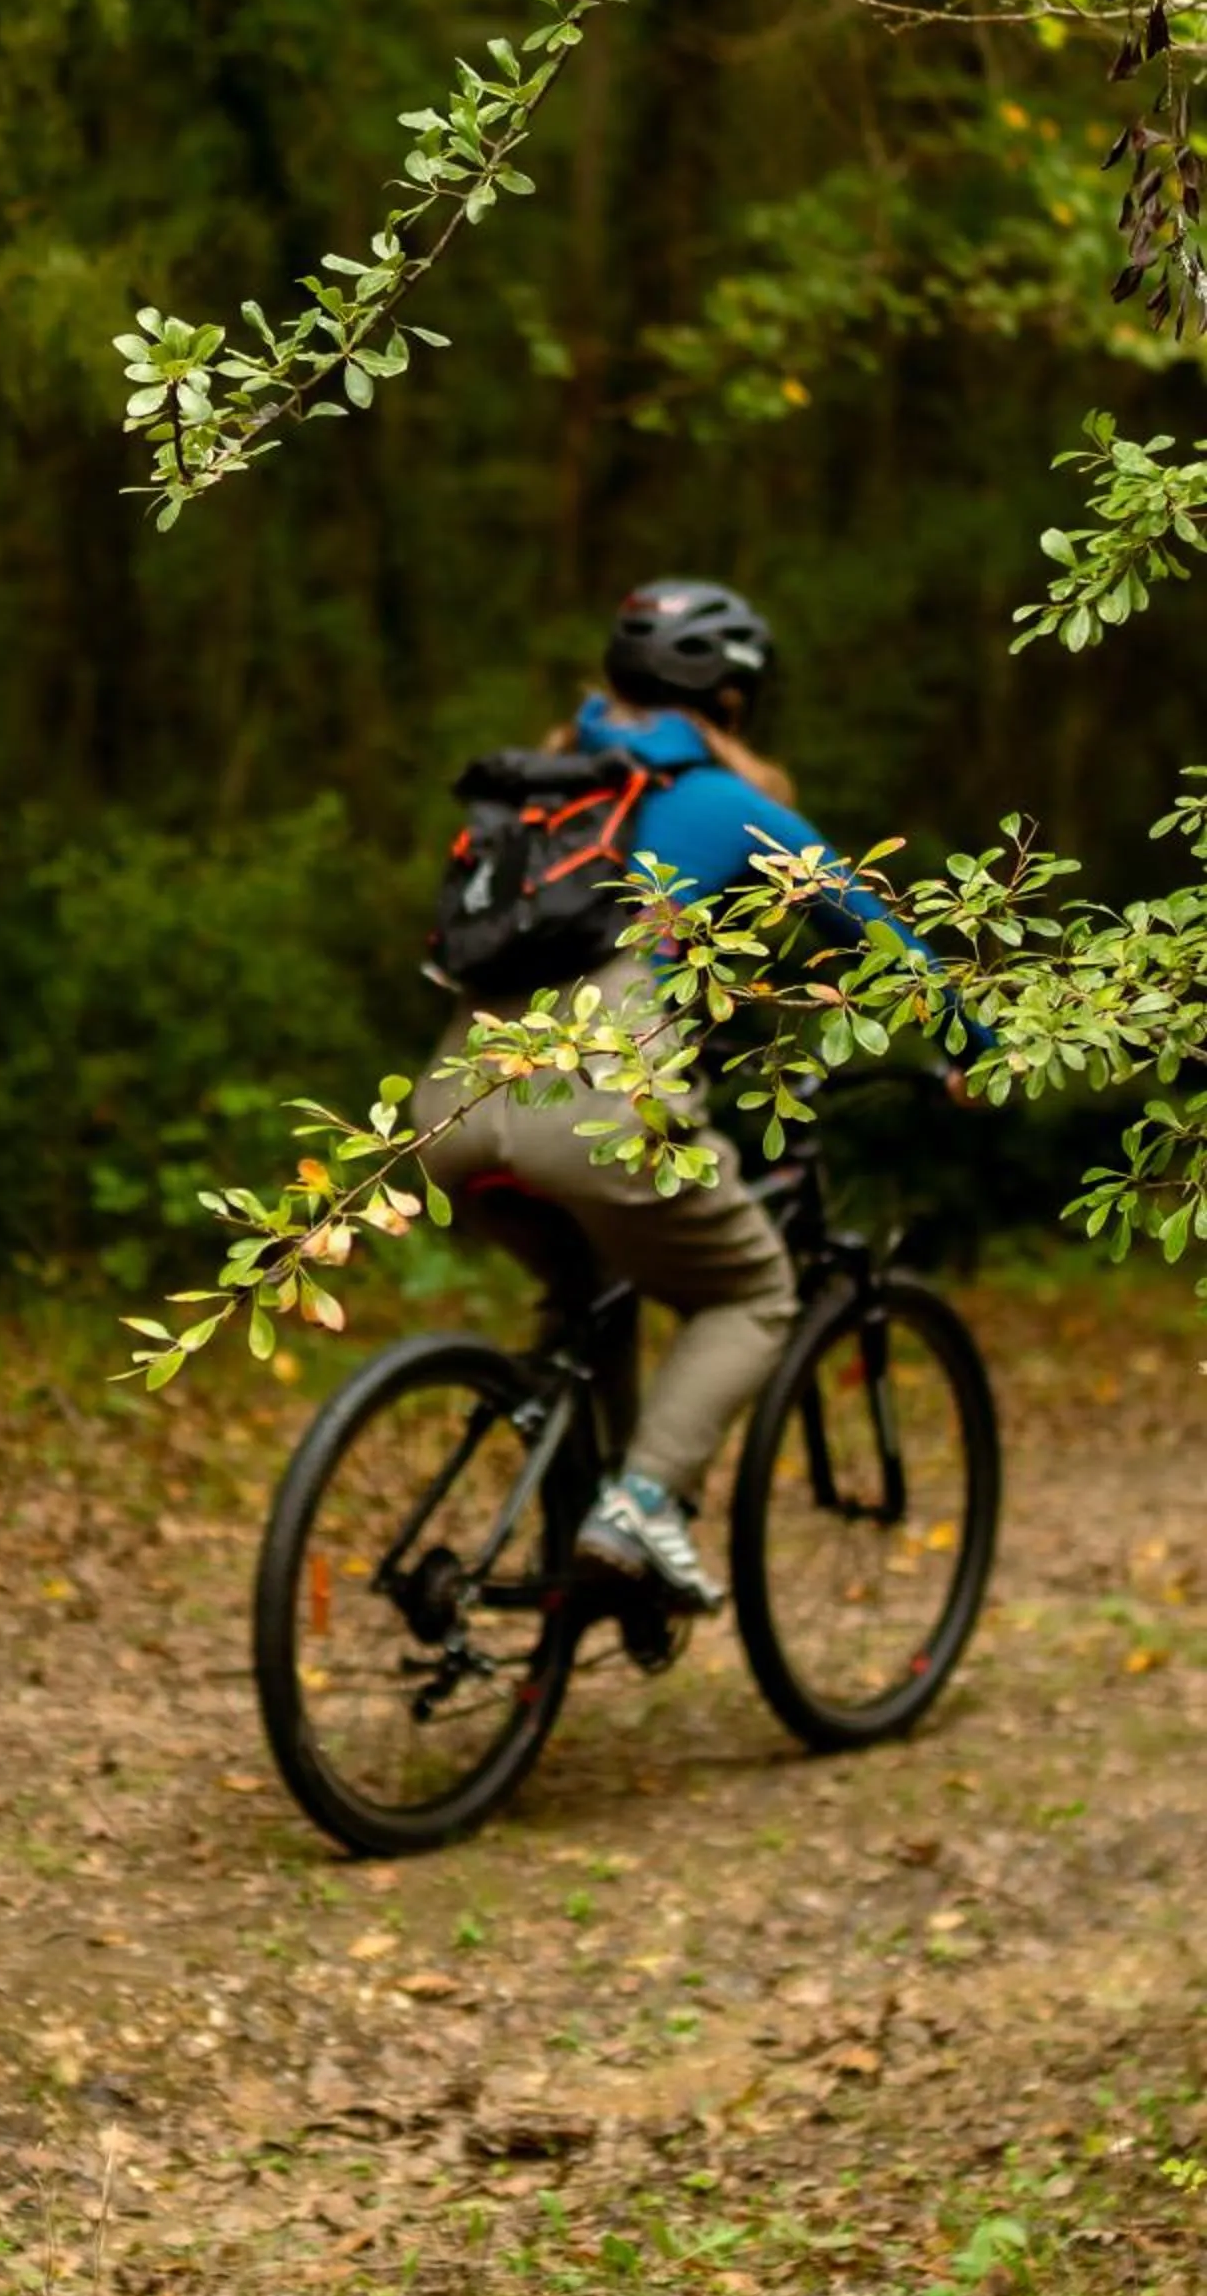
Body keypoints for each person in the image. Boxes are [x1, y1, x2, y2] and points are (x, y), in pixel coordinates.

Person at [411, 576, 977, 1617]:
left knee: (586, 1298)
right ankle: (633, 1508)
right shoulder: (719, 804)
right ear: (730, 701)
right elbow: (869, 931)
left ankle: (571, 1562)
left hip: (448, 1113)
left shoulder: (543, 790)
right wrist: (968, 1042)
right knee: (751, 1293)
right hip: (590, 1108)